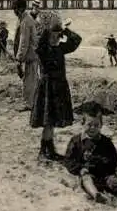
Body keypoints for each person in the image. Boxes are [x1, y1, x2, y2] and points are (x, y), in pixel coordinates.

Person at [31, 21, 82, 162]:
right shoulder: (43, 50)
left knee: (52, 121)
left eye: (57, 36)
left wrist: (65, 30)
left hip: (58, 88)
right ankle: (44, 151)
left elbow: (77, 40)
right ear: (46, 36)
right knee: (48, 121)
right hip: (47, 88)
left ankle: (49, 150)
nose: (55, 39)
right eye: (52, 36)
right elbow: (38, 45)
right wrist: (48, 31)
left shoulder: (60, 48)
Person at [14, 0, 40, 112]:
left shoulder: (25, 21)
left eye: (14, 9)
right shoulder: (25, 19)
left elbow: (24, 42)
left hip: (31, 55)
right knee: (32, 79)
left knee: (29, 80)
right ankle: (34, 102)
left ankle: (29, 104)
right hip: (32, 54)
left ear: (20, 9)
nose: (13, 11)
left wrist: (19, 58)